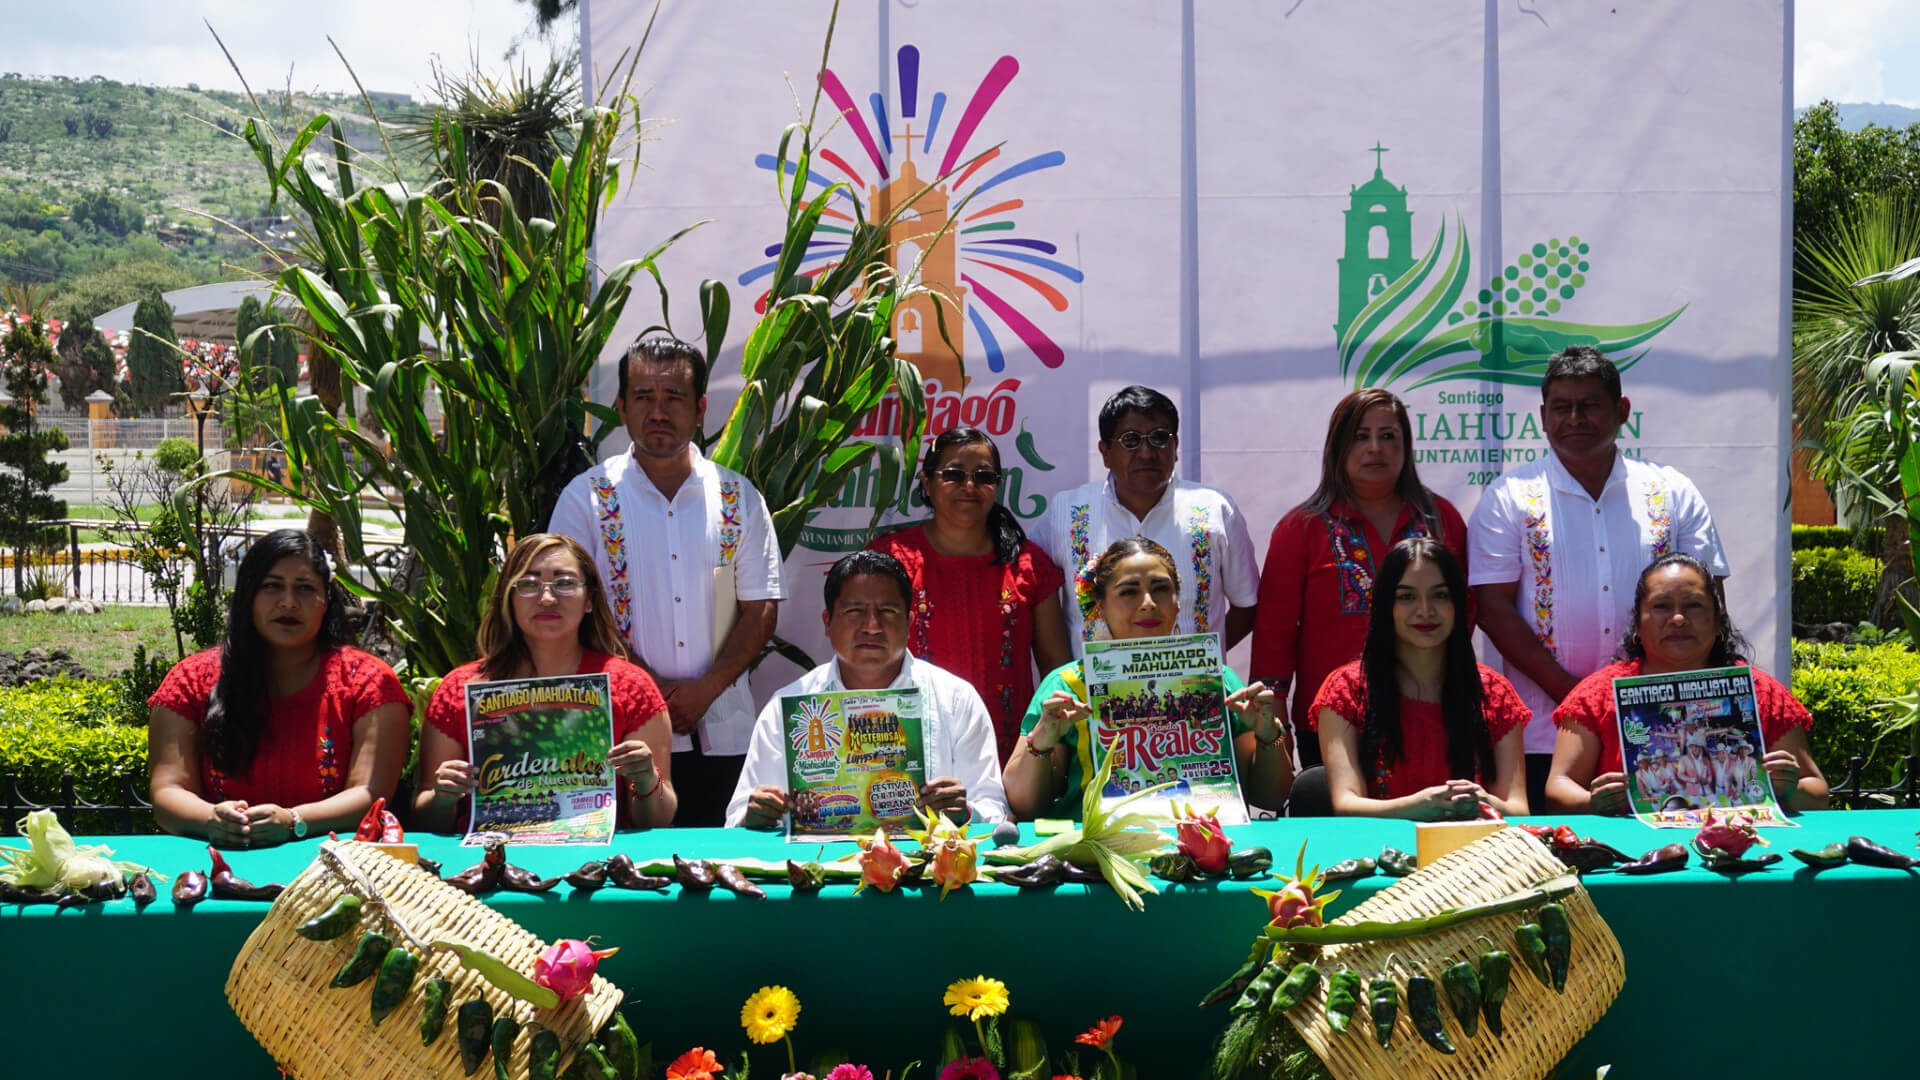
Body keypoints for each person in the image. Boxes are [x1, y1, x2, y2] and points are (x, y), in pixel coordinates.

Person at [1468, 345, 1728, 813]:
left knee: (1668, 867)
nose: (1575, 419)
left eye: (1589, 405)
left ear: (1622, 410)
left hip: (1668, 727)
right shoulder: (1510, 497)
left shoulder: (1671, 492)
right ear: (1543, 416)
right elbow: (1492, 610)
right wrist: (1578, 698)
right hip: (1545, 732)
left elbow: (1707, 602)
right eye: (1562, 408)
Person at [551, 335, 784, 826]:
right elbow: (565, 609)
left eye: (674, 398)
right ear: (621, 407)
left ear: (700, 408)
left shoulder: (738, 497)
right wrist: (645, 688)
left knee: (723, 884)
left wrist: (708, 688)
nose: (658, 412)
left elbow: (759, 608)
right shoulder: (586, 499)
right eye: (643, 397)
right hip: (618, 736)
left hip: (723, 731)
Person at [148, 529, 409, 847]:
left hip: (333, 872)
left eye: (304, 588)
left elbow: (371, 793)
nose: (288, 602)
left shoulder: (370, 683)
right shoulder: (189, 682)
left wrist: (294, 822)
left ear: (325, 600)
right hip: (219, 870)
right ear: (247, 596)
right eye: (272, 587)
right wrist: (211, 819)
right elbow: (167, 792)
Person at [1251, 388, 1469, 768]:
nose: (1375, 448)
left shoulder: (1441, 521)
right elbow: (1274, 634)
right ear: (1337, 447)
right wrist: (1275, 723)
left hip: (1430, 715)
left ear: (1406, 447)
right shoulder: (1301, 528)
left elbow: (1465, 614)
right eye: (1360, 436)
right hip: (1330, 720)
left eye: (1388, 436)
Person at [1004, 538, 1293, 819]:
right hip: (1096, 857)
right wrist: (1041, 740)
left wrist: (1269, 735)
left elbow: (1270, 797)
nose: (1148, 603)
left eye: (1161, 589)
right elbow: (1026, 806)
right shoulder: (1068, 686)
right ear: (1100, 606)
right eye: (1129, 592)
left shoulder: (1218, 680)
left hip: (1205, 850)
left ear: (1179, 602)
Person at [726, 551, 1010, 828]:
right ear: (827, 622)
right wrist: (754, 816)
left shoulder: (956, 699)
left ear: (910, 623)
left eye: (887, 611)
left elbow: (993, 809)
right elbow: (738, 815)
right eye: (854, 611)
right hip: (817, 867)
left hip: (928, 868)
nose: (872, 626)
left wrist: (965, 811)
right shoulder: (790, 705)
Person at [413, 534, 676, 831]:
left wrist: (645, 781)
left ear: (589, 600)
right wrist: (443, 797)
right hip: (489, 864)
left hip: (600, 866)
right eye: (528, 584)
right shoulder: (459, 689)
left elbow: (658, 818)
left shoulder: (632, 689)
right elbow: (425, 817)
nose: (547, 598)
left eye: (564, 583)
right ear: (508, 598)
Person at [1545, 553, 1829, 814]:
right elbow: (1559, 787)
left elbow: (1816, 793)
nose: (1678, 619)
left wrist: (1788, 790)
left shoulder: (1762, 693)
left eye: (1693, 605)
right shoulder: (1596, 696)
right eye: (1661, 606)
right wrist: (1593, 801)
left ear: (1718, 622)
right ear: (1637, 624)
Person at [869, 427, 1072, 764]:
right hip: (911, 757)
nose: (969, 486)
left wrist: (1050, 754)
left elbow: (1057, 671)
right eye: (953, 475)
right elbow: (866, 662)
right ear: (927, 483)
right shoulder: (890, 560)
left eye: (983, 476)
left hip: (1010, 760)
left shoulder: (1028, 564)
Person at [1296, 539, 1529, 819]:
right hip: (1380, 855)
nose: (1425, 610)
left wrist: (1482, 800)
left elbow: (1518, 809)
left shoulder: (1494, 693)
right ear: (1385, 606)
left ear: (1459, 605)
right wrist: (1418, 807)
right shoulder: (1346, 690)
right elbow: (1347, 803)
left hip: (1475, 856)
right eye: (1407, 597)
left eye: (1440, 595)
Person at [1037, 385, 1259, 650]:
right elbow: (1034, 599)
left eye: (1159, 438)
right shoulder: (1066, 512)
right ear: (1105, 452)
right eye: (1130, 440)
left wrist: (1202, 657)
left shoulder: (1214, 510)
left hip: (1192, 688)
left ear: (1175, 447)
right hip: (1089, 691)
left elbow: (1247, 605)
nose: (1146, 452)